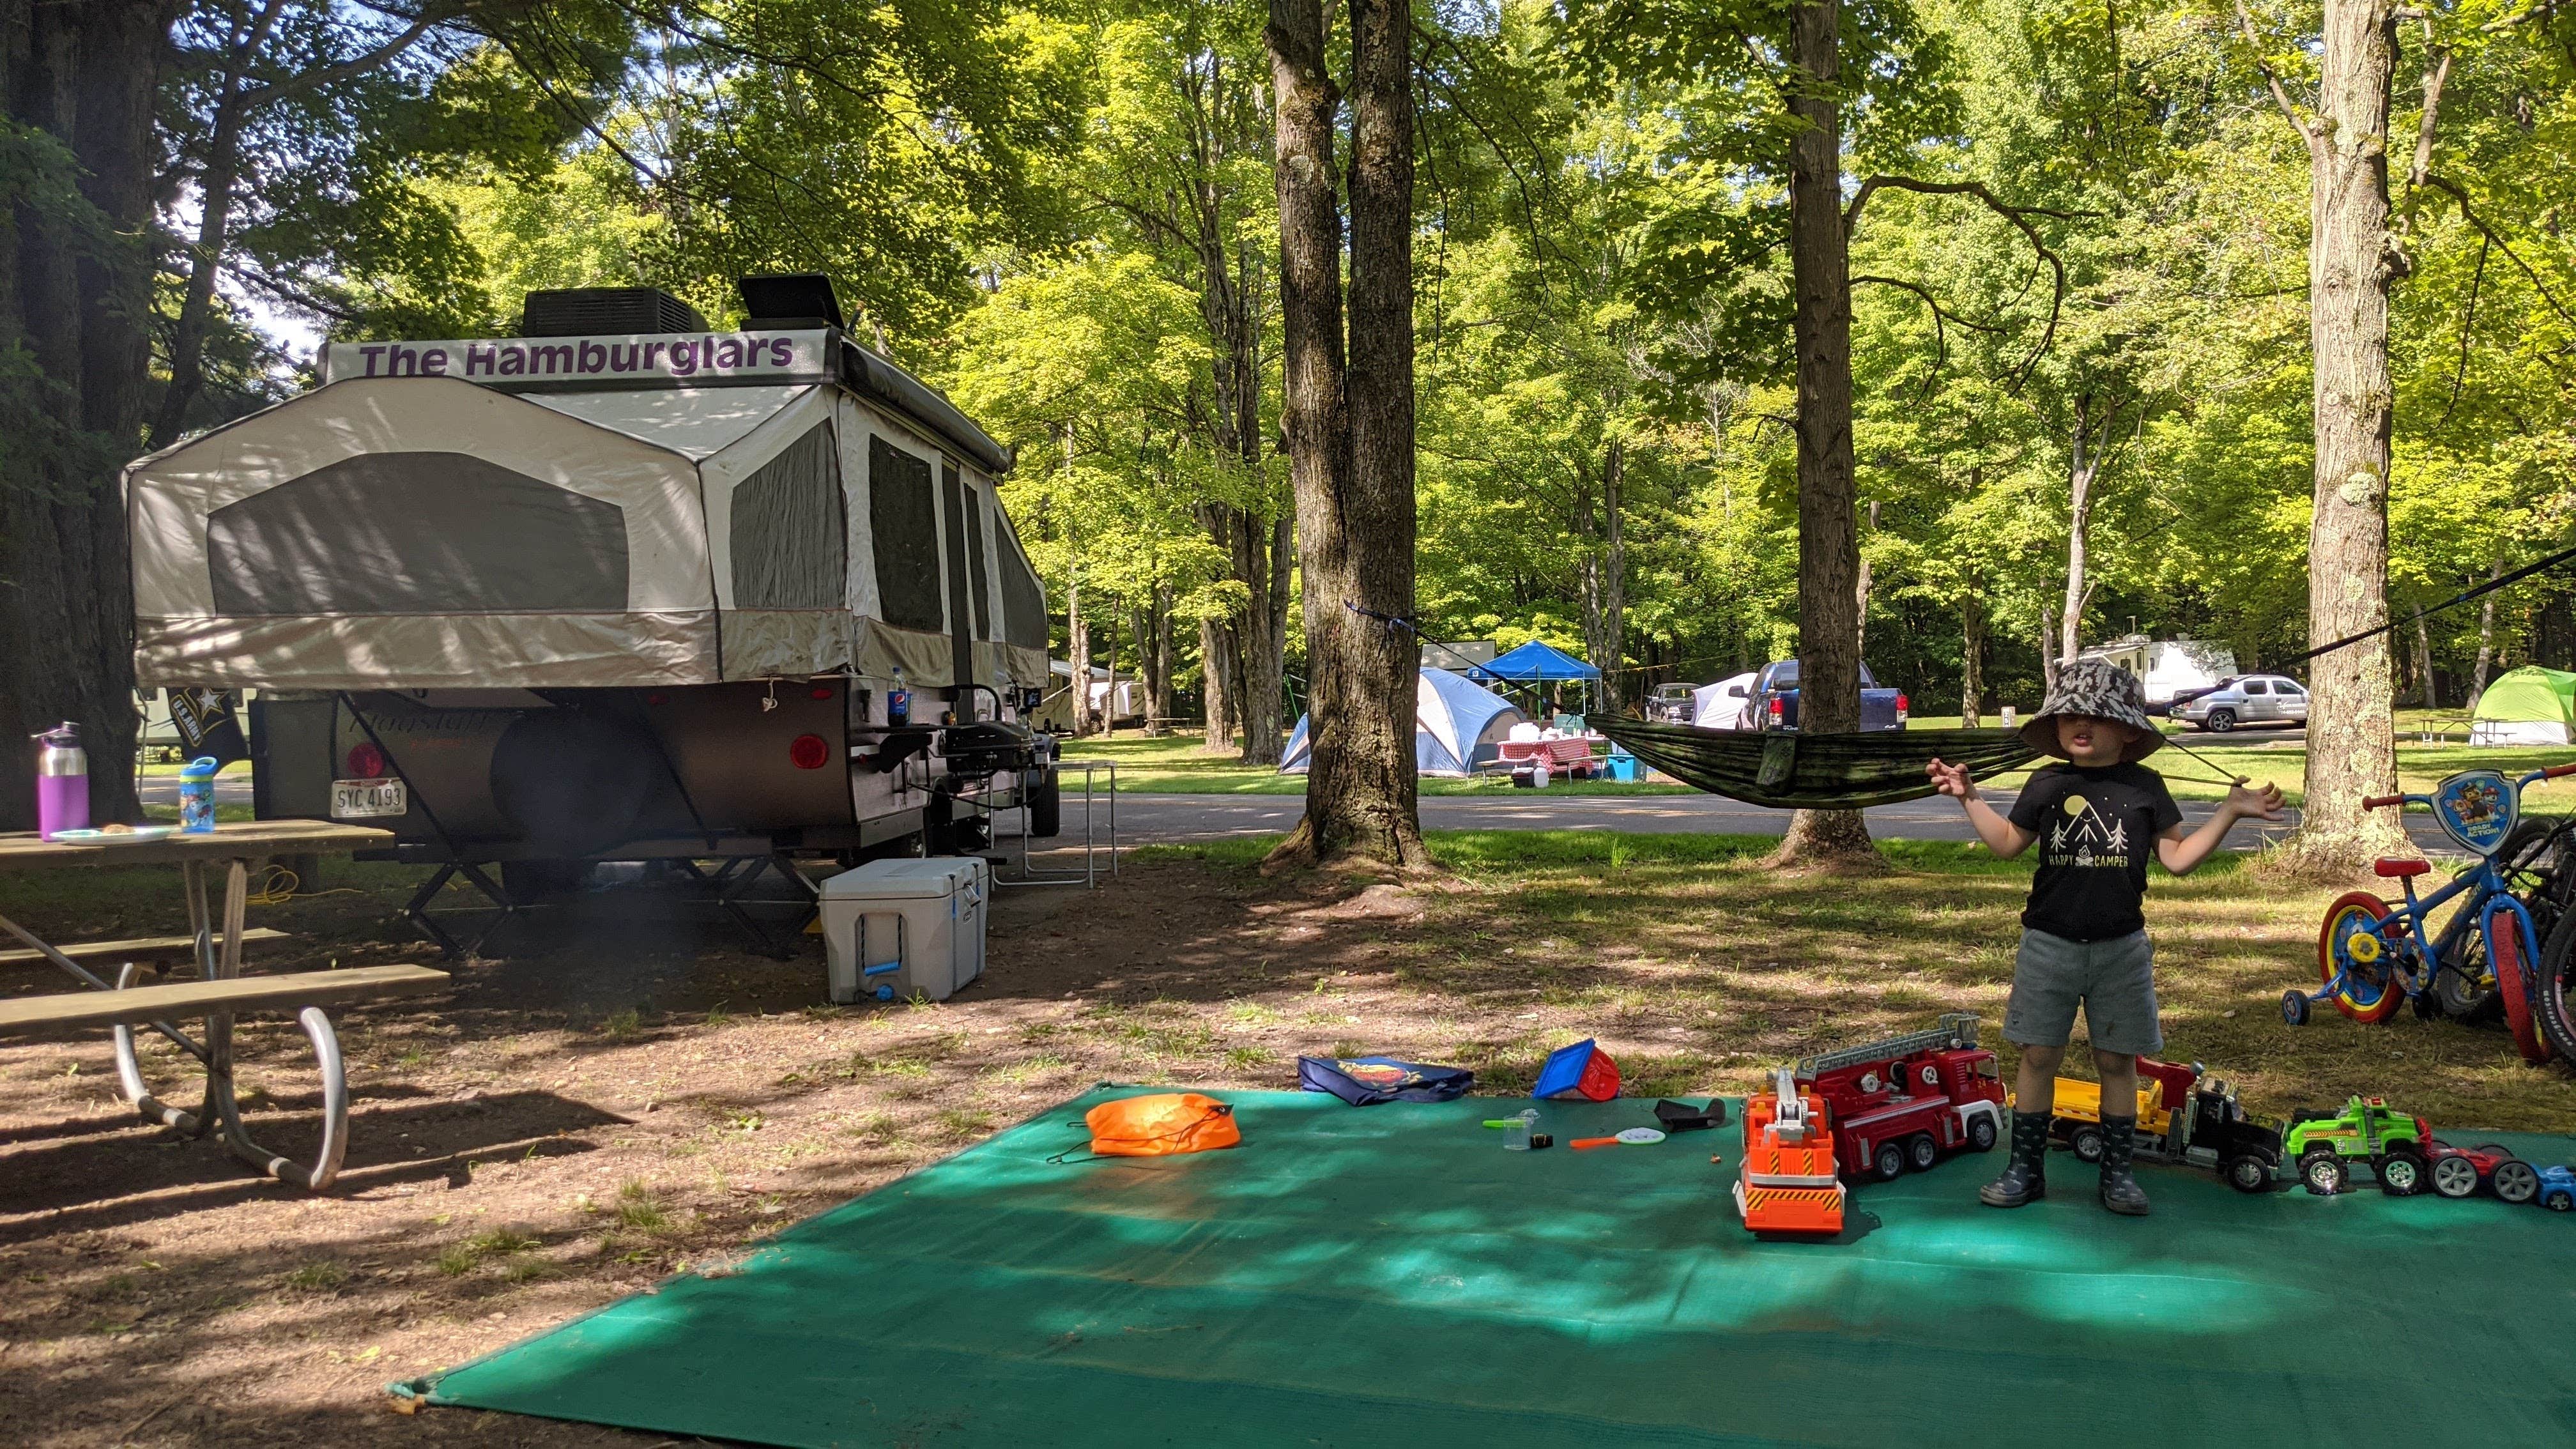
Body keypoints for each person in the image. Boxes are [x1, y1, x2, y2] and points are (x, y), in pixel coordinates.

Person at [1925, 658, 2283, 1216]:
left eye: (2094, 715)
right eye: (2068, 716)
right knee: (2039, 1054)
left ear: (2130, 730)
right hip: (2048, 945)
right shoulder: (2047, 782)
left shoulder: (2146, 787)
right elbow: (2006, 845)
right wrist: (1969, 796)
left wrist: (2231, 811)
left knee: (2117, 1062)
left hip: (2121, 950)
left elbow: (2179, 859)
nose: (2078, 725)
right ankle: (2025, 1169)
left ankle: (2118, 1176)